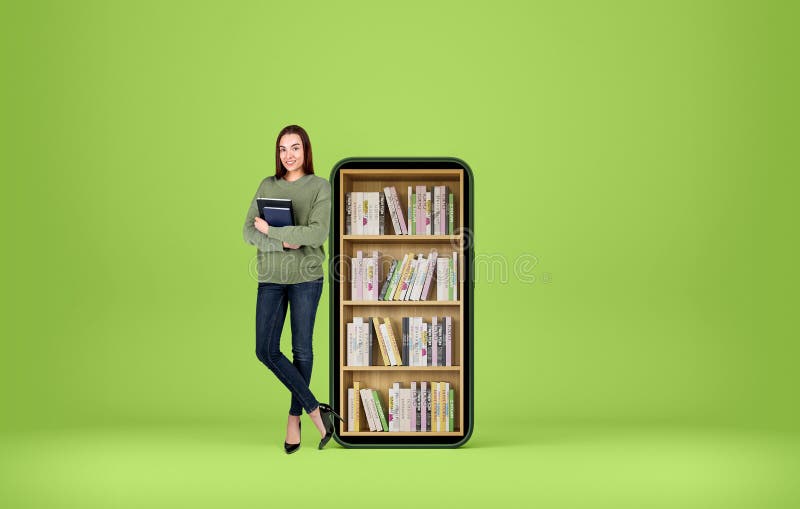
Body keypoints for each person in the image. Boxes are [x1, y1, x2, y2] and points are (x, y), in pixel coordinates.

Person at [242, 124, 342, 453]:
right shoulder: (266, 185)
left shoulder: (319, 187)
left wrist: (271, 230)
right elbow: (248, 233)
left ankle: (294, 417)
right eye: (283, 149)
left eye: (295, 148)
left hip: (306, 277)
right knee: (265, 350)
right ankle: (317, 410)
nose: (289, 155)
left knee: (302, 350)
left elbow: (316, 235)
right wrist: (282, 241)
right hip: (271, 276)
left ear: (306, 150)